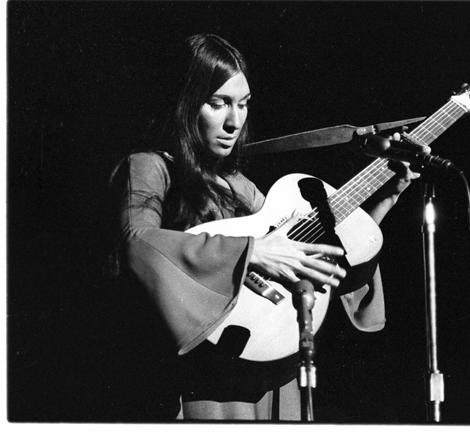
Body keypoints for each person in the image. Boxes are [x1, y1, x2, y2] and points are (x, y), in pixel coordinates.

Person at [109, 33, 420, 421]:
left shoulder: (239, 185)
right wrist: (252, 252)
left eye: (243, 104)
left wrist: (384, 199)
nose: (234, 121)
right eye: (218, 103)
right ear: (185, 105)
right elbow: (136, 244)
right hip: (206, 380)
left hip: (270, 365)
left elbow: (317, 252)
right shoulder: (150, 166)